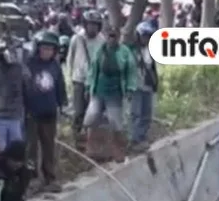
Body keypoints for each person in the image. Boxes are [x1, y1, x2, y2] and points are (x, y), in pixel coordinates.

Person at [25, 31, 68, 193]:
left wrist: (62, 103)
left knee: (49, 146)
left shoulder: (55, 65)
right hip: (32, 113)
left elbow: (60, 86)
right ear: (37, 49)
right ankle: (31, 178)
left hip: (49, 112)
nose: (47, 52)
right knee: (31, 148)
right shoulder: (29, 64)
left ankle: (50, 177)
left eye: (50, 49)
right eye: (44, 49)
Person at [84, 25, 136, 158]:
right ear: (106, 37)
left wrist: (130, 88)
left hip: (115, 92)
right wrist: (88, 86)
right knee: (92, 116)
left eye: (114, 36)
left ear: (118, 37)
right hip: (99, 90)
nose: (112, 38)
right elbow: (92, 70)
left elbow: (131, 72)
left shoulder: (125, 52)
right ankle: (90, 147)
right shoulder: (100, 50)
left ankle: (118, 150)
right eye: (109, 36)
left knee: (116, 121)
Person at [66, 11, 104, 142]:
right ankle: (76, 137)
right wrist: (70, 76)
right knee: (78, 110)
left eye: (95, 25)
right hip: (79, 80)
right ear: (85, 25)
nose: (92, 28)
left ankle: (91, 139)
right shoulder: (77, 39)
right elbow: (70, 58)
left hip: (95, 81)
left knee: (93, 111)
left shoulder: (102, 40)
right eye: (90, 25)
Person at [129, 21, 158, 151]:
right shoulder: (132, 51)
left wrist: (155, 82)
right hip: (136, 85)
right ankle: (135, 139)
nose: (146, 39)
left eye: (148, 36)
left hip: (148, 85)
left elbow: (152, 68)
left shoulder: (150, 50)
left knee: (147, 113)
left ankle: (143, 136)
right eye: (144, 36)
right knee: (137, 113)